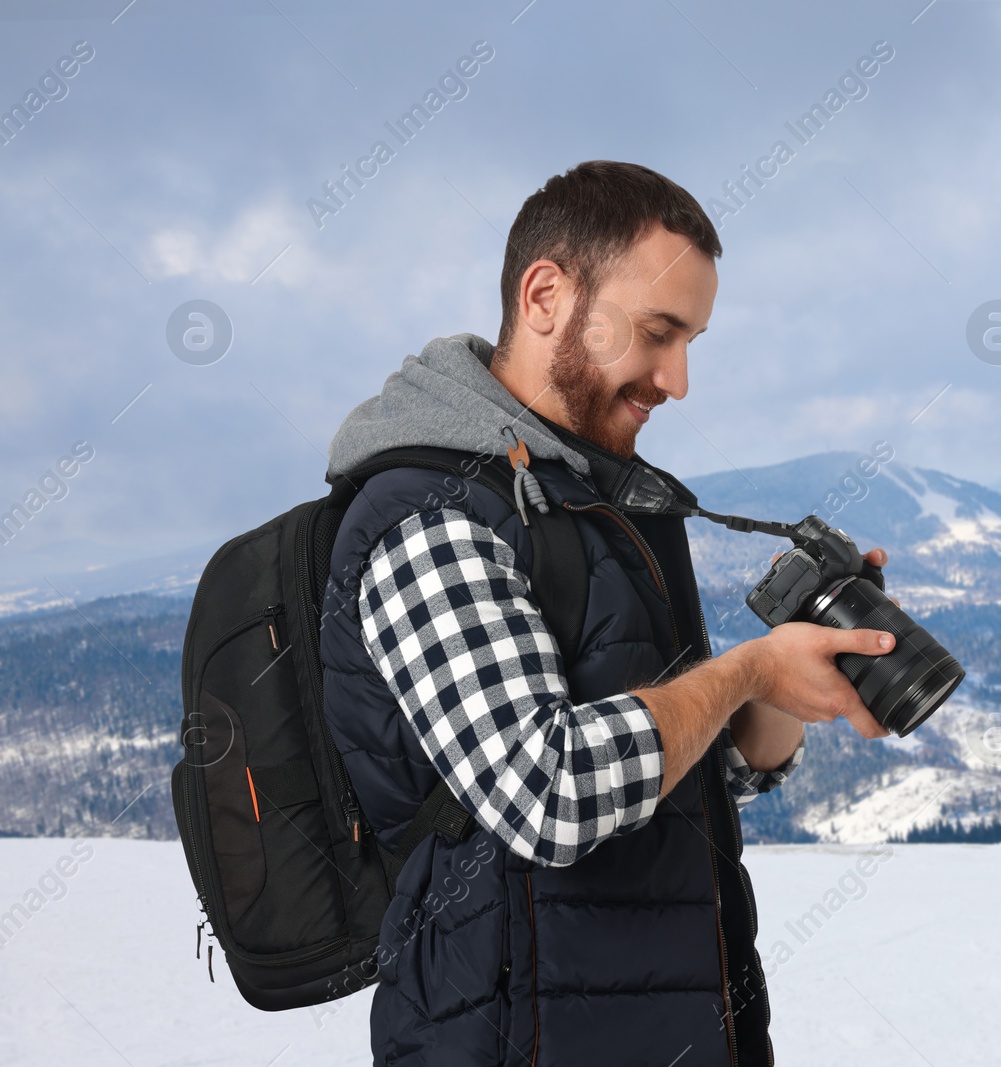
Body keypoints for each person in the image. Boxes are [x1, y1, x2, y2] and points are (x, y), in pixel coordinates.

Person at [318, 160, 898, 1067]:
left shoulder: (610, 505)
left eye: (693, 340)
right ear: (546, 293)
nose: (679, 379)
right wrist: (745, 669)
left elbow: (696, 782)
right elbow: (547, 796)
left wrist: (790, 679)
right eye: (659, 333)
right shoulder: (426, 514)